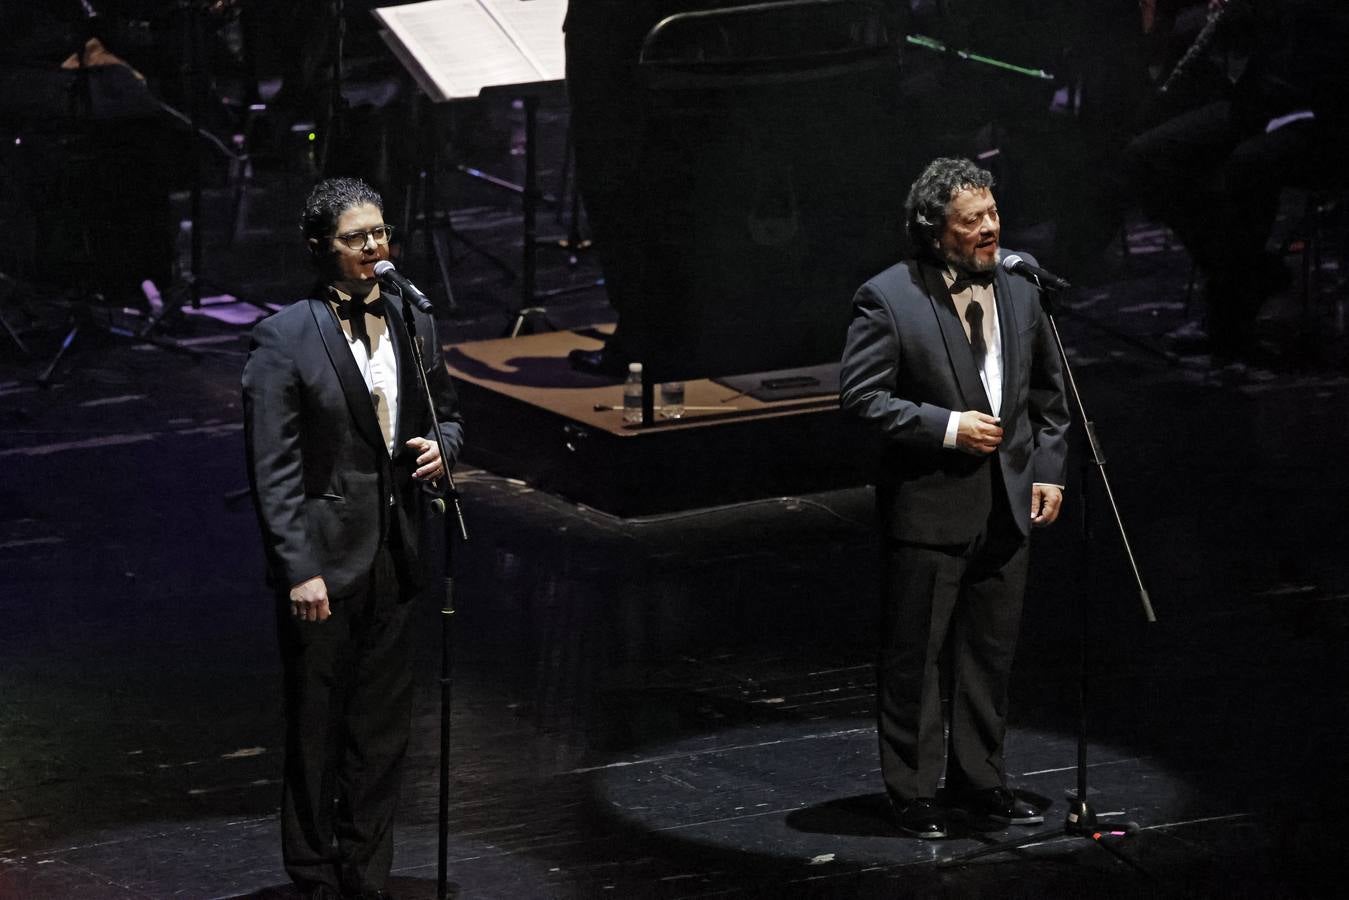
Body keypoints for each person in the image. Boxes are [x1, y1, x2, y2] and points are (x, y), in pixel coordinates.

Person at [242, 176, 465, 899]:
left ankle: (366, 873)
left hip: (397, 549)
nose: (373, 248)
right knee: (317, 727)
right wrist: (297, 567)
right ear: (319, 246)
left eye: (379, 234)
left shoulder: (411, 316)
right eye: (355, 238)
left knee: (381, 731)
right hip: (324, 560)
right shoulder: (283, 337)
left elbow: (447, 413)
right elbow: (271, 467)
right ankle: (312, 872)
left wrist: (443, 447)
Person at [839, 157, 1070, 839]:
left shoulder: (1021, 288)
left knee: (988, 653)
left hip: (1008, 501)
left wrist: (1049, 472)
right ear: (935, 230)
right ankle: (910, 792)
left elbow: (1049, 397)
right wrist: (945, 427)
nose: (988, 229)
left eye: (992, 214)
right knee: (915, 654)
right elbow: (860, 397)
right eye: (972, 220)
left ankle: (981, 781)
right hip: (930, 505)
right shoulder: (887, 298)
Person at [1123, 0, 1349, 361]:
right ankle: (1249, 274)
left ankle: (1231, 309)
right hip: (1260, 102)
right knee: (1147, 156)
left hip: (1323, 115)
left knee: (1249, 165)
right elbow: (1245, 46)